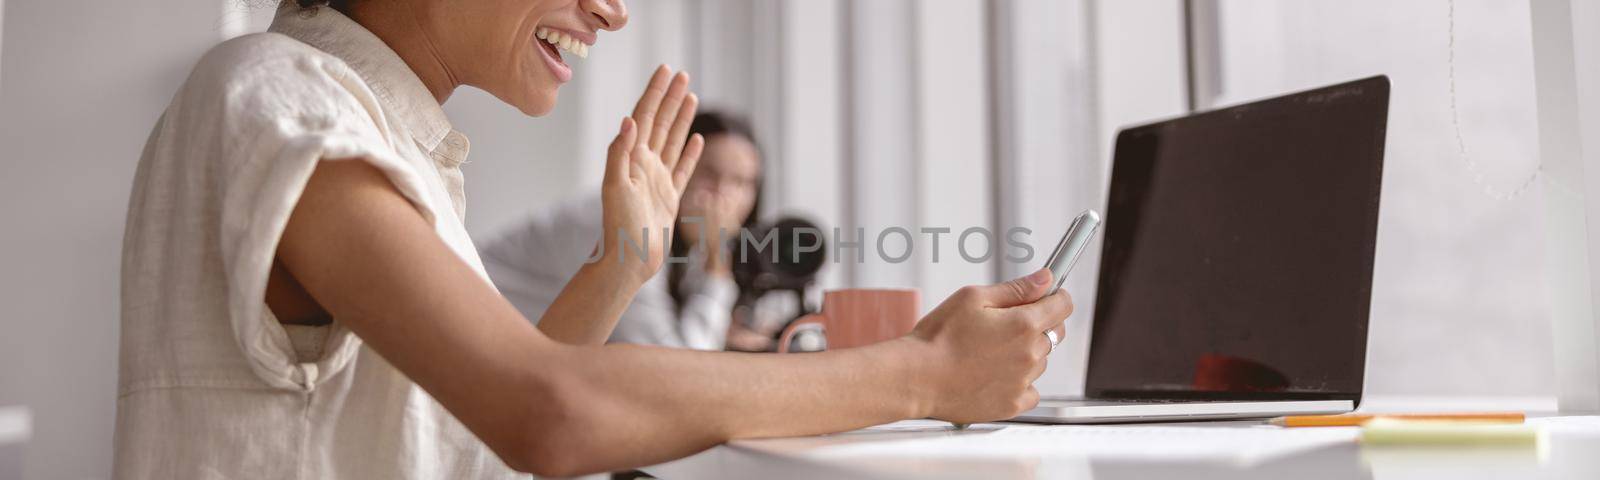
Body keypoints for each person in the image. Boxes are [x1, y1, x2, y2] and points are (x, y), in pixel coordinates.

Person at [114, 0, 1074, 478]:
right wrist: (923, 372)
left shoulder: (381, 135)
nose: (611, 8)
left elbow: (474, 442)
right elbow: (547, 414)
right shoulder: (281, 97)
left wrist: (621, 266)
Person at [481, 111, 774, 351]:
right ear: (677, 166)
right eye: (710, 174)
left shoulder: (688, 237)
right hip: (469, 334)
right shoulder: (619, 221)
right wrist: (717, 270)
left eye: (741, 183)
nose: (723, 195)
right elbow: (673, 367)